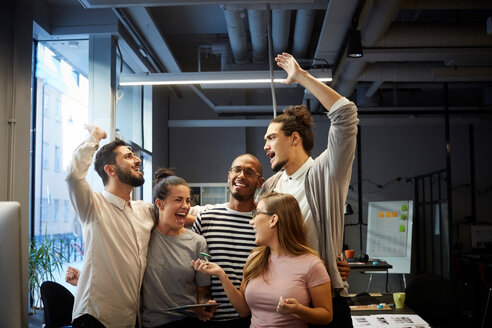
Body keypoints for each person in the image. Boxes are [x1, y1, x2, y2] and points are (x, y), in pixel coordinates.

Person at [260, 53, 358, 327]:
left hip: (324, 298)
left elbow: (345, 115)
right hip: (285, 296)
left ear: (294, 138)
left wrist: (300, 76)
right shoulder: (272, 185)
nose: (265, 146)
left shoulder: (326, 172)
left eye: (270, 138)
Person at [194, 192, 333, 328]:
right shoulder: (254, 258)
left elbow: (326, 316)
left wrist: (298, 310)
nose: (251, 221)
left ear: (273, 220)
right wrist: (221, 275)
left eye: (256, 213)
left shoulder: (312, 264)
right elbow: (243, 311)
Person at [66, 125, 154, 327]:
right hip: (95, 318)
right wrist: (94, 138)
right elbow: (73, 175)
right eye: (128, 156)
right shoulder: (92, 205)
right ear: (110, 169)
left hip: (130, 319)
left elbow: (178, 211)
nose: (138, 159)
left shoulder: (145, 211)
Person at [191, 154, 264, 327]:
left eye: (249, 172)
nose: (241, 176)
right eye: (237, 170)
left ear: (259, 183)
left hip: (254, 318)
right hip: (210, 317)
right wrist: (201, 301)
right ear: (229, 175)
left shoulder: (264, 222)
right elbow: (195, 268)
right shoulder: (205, 218)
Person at [141, 168, 215, 328]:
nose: (185, 206)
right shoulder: (144, 237)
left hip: (188, 322)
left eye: (188, 200)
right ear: (160, 204)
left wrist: (203, 306)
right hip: (152, 323)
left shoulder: (198, 242)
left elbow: (202, 292)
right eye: (178, 200)